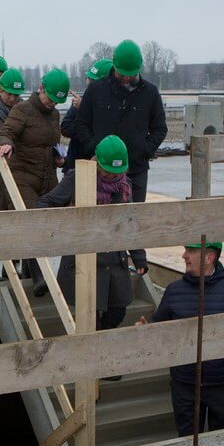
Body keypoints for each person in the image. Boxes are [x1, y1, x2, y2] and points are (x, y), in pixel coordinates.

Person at [138, 242, 224, 435]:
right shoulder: (174, 291)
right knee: (186, 442)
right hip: (185, 386)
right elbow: (159, 328)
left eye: (191, 251)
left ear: (209, 258)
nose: (184, 255)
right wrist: (146, 331)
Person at [37, 135, 147, 329]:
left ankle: (103, 342)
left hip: (114, 260)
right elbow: (45, 203)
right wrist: (66, 223)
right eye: (108, 172)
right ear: (97, 164)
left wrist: (139, 257)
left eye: (117, 172)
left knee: (118, 311)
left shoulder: (124, 186)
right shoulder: (77, 178)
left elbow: (130, 224)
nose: (113, 176)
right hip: (84, 259)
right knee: (89, 315)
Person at [69, 39, 167, 203]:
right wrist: (94, 146)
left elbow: (160, 128)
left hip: (135, 169)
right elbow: (81, 124)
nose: (127, 78)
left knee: (133, 220)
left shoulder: (150, 93)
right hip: (101, 172)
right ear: (114, 65)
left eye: (131, 74)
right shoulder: (96, 90)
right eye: (122, 74)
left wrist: (144, 150)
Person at [0, 69, 69, 291]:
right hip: (23, 176)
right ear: (41, 89)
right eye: (50, 99)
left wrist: (58, 158)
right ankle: (40, 277)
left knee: (59, 219)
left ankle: (37, 272)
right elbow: (6, 131)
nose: (52, 104)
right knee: (31, 221)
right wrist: (7, 143)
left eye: (57, 101)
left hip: (48, 177)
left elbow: (51, 144)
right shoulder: (23, 110)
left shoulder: (55, 115)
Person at [59, 58, 112, 173]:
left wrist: (84, 111)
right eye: (88, 79)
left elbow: (106, 133)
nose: (88, 84)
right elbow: (65, 128)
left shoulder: (115, 107)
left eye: (92, 81)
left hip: (102, 171)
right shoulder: (80, 102)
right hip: (74, 167)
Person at [0, 67, 26, 212]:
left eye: (16, 95)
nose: (12, 99)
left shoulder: (25, 110)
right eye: (9, 94)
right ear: (0, 90)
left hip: (19, 168)